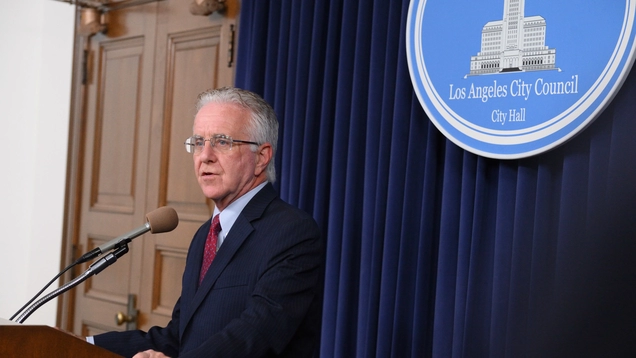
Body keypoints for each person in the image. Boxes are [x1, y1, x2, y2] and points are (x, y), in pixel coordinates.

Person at [91, 87, 325, 357]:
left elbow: (256, 333)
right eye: (199, 142)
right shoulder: (206, 235)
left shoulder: (292, 232)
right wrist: (83, 344)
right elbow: (180, 336)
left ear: (261, 157)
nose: (205, 155)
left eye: (222, 142)